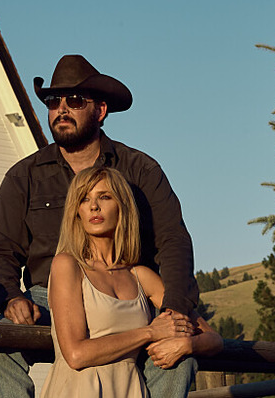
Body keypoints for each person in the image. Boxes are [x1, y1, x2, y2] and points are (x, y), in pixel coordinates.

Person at [0, 54, 200, 397]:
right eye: (54, 102)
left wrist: (172, 310)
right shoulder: (24, 176)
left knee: (178, 357)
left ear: (100, 111)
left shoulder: (140, 170)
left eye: (75, 100)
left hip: (127, 291)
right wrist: (9, 297)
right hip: (50, 297)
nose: (61, 109)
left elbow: (173, 241)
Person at [41, 166, 223, 397]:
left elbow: (214, 339)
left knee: (185, 361)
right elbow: (76, 355)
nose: (94, 206)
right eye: (84, 199)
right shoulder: (68, 265)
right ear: (76, 211)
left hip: (131, 390)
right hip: (79, 389)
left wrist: (187, 345)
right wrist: (150, 332)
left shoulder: (140, 276)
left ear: (122, 206)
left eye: (104, 197)